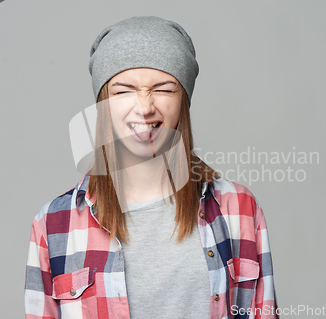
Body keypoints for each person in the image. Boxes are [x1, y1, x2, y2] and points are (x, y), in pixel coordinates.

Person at [24, 16, 280, 319]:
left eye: (164, 89)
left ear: (183, 101)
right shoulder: (54, 224)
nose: (144, 107)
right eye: (123, 91)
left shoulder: (239, 209)